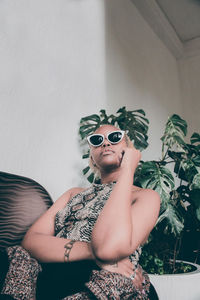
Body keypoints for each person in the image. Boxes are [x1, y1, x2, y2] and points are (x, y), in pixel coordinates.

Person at [0, 125, 160, 300]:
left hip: (106, 281)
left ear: (129, 150)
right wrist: (92, 252)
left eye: (115, 137)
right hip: (53, 275)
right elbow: (31, 241)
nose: (106, 144)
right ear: (91, 155)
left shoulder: (145, 197)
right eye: (97, 141)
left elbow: (108, 249)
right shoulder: (74, 194)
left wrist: (128, 169)